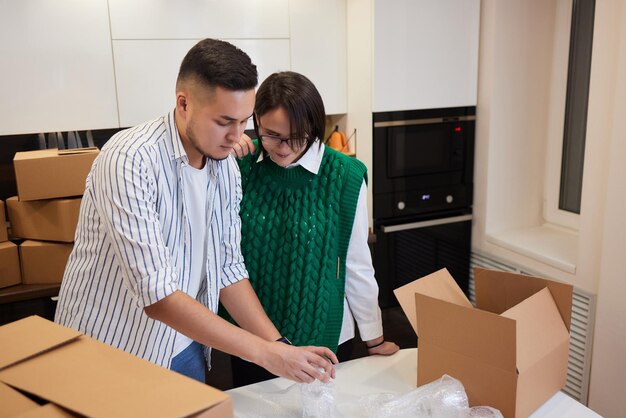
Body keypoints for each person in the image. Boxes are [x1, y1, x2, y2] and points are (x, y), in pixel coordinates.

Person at [54, 39, 337, 384]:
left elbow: (229, 269)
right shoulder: (129, 160)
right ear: (184, 103)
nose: (236, 136)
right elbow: (158, 296)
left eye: (245, 122)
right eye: (224, 121)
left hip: (185, 346)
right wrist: (267, 354)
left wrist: (280, 345)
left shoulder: (225, 167)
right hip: (111, 349)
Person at [228, 71, 399, 386]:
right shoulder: (239, 166)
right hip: (253, 339)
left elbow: (356, 264)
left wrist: (373, 337)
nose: (283, 147)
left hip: (326, 336)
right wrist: (222, 151)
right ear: (255, 122)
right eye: (271, 134)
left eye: (297, 137)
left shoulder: (344, 176)